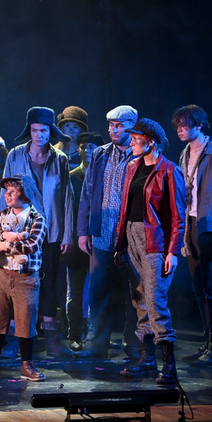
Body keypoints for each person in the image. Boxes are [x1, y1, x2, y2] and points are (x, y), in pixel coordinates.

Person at [115, 118, 185, 384]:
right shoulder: (131, 167)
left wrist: (173, 252)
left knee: (155, 301)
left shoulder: (170, 171)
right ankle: (147, 359)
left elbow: (178, 216)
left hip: (155, 241)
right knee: (140, 300)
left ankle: (169, 364)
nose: (131, 143)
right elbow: (125, 208)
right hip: (132, 237)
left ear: (151, 143)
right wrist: (120, 245)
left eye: (136, 139)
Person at [0, 106, 74, 357]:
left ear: (50, 131)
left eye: (43, 130)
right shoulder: (15, 155)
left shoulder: (59, 159)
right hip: (21, 232)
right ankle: (14, 341)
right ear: (29, 131)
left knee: (50, 283)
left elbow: (67, 198)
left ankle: (52, 342)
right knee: (18, 283)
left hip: (51, 232)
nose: (39, 135)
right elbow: (5, 194)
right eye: (34, 130)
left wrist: (67, 234)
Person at [172, 105, 212, 366]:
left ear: (199, 125)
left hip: (210, 227)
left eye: (184, 125)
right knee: (199, 288)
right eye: (177, 126)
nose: (180, 130)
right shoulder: (184, 153)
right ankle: (207, 342)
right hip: (190, 226)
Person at [76, 106, 140, 359]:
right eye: (111, 125)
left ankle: (133, 344)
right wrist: (83, 231)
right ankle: (96, 344)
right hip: (102, 233)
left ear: (132, 126)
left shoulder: (141, 153)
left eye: (120, 125)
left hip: (130, 236)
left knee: (134, 293)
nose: (114, 130)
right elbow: (87, 193)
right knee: (98, 291)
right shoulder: (100, 154)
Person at [0, 173, 47, 382]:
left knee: (25, 321)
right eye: (6, 191)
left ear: (25, 194)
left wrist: (4, 245)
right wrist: (3, 235)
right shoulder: (2, 214)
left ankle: (27, 365)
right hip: (1, 274)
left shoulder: (36, 218)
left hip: (25, 277)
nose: (7, 195)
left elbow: (32, 245)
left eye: (12, 191)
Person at [65, 131, 105, 352]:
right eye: (83, 146)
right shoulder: (72, 176)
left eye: (92, 147)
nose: (87, 150)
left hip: (100, 238)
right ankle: (75, 333)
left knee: (99, 288)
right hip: (75, 238)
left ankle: (95, 334)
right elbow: (67, 210)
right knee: (76, 289)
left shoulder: (106, 174)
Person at [53, 106, 89, 171]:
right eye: (67, 126)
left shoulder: (87, 153)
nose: (71, 131)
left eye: (75, 127)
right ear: (62, 128)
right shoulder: (53, 151)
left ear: (81, 131)